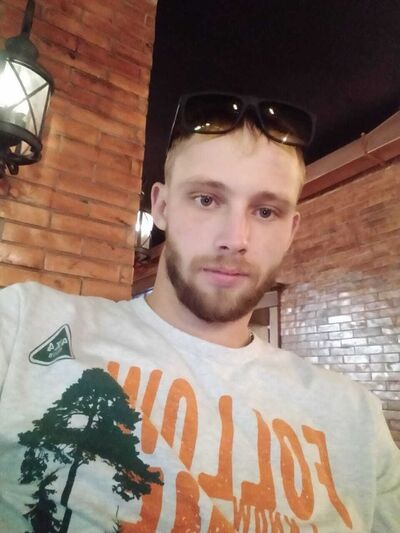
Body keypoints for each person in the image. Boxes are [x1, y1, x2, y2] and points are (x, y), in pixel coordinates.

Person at [0, 92, 399, 533]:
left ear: (291, 231)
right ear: (162, 207)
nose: (235, 238)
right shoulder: (25, 326)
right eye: (207, 199)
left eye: (266, 211)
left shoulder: (356, 420)